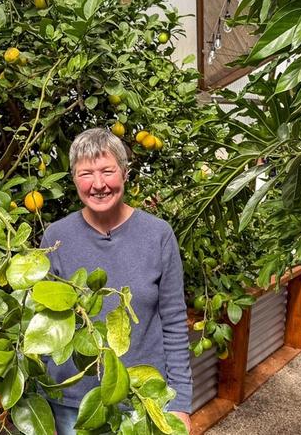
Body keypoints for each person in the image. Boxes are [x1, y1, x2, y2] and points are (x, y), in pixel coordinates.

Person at [39, 128, 193, 434]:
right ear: (74, 179)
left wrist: (180, 402)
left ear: (124, 173)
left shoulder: (158, 235)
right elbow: (44, 320)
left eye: (107, 171)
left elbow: (174, 322)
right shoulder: (56, 237)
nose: (98, 184)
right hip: (73, 405)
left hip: (143, 398)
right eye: (86, 174)